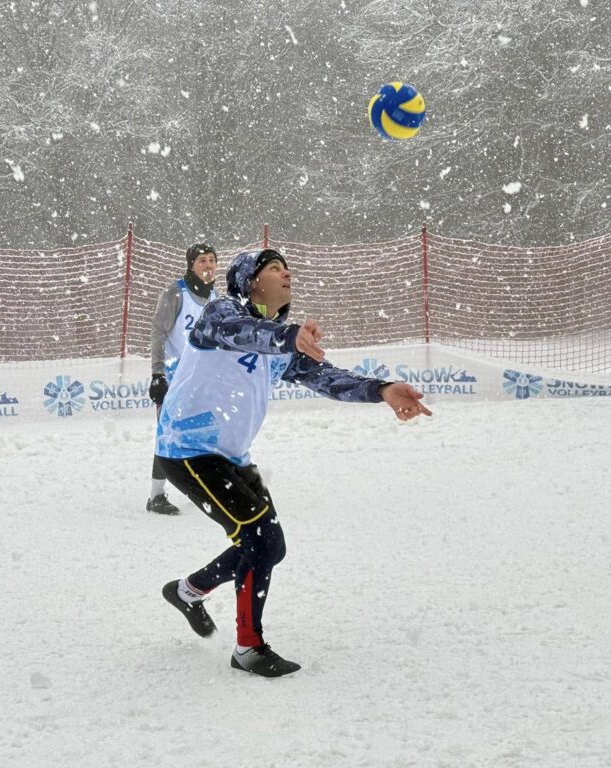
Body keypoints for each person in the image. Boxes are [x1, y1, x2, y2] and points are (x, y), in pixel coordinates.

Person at [155, 248, 431, 677]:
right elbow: (241, 332)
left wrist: (382, 390)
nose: (287, 275)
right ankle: (248, 648)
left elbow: (329, 379)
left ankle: (188, 591)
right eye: (274, 269)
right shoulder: (220, 313)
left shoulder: (282, 342)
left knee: (270, 546)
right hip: (187, 450)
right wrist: (287, 336)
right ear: (249, 281)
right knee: (260, 541)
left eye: (288, 269)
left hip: (233, 457)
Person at [145, 243, 219, 515]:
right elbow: (158, 332)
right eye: (203, 260)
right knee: (168, 435)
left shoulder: (216, 298)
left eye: (212, 260)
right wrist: (157, 374)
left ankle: (203, 490)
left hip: (204, 377)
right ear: (191, 265)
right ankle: (156, 496)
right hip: (176, 375)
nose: (208, 265)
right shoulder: (176, 292)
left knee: (205, 434)